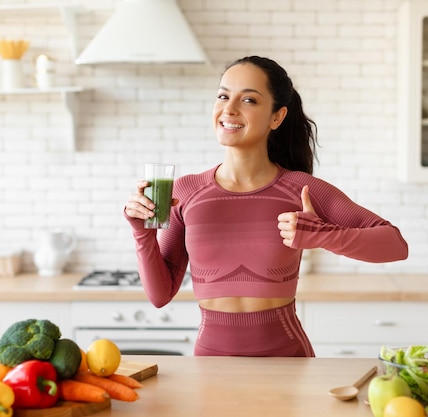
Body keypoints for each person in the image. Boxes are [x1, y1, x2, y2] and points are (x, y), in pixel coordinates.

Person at [124, 56, 408, 357]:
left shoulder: (301, 190)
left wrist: (323, 235)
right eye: (223, 96)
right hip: (210, 367)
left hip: (289, 365)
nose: (229, 108)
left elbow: (395, 244)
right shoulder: (186, 192)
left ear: (277, 117)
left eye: (248, 99)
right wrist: (142, 234)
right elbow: (159, 295)